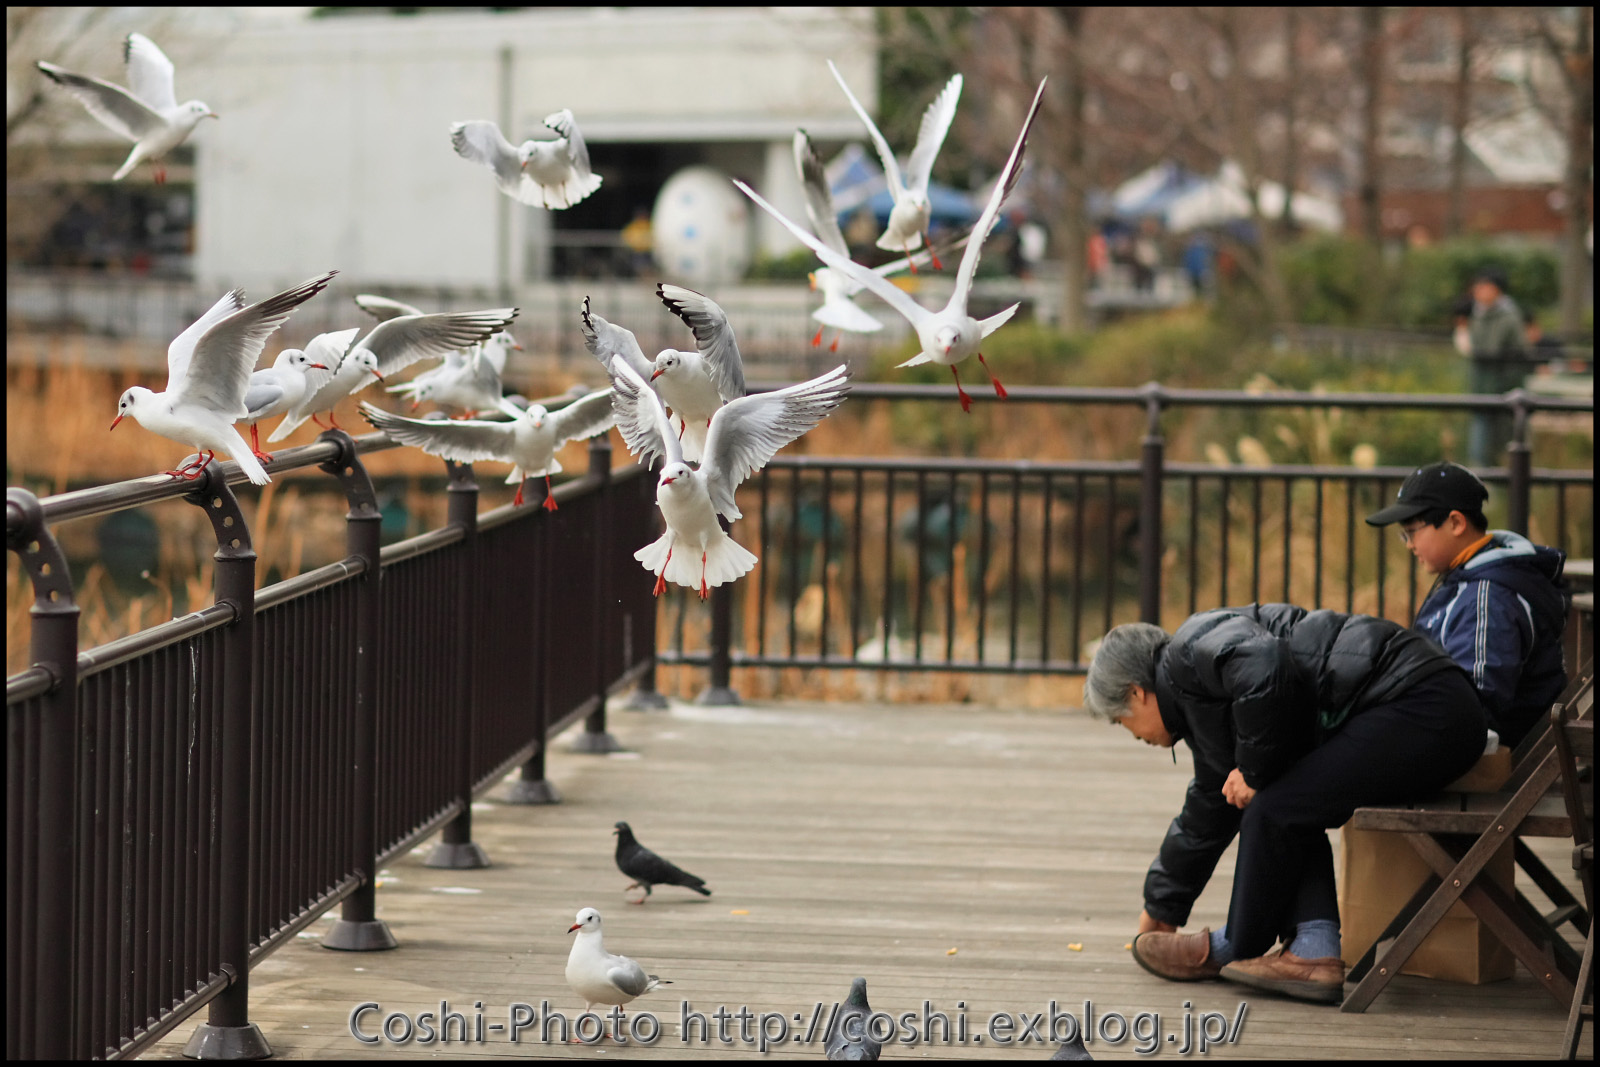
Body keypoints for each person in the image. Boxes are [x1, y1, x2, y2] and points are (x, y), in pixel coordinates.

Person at [1084, 605, 1485, 1004]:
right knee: (1286, 798)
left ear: (1137, 692)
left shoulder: (1191, 648)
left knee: (1275, 804)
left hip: (1422, 703)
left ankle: (1234, 947)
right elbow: (1206, 812)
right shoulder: (1198, 708)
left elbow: (1264, 664)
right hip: (1426, 710)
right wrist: (1162, 906)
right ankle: (1314, 950)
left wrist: (1255, 772)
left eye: (1122, 720)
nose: (1133, 734)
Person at [1365, 461, 1567, 748]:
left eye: (1411, 531)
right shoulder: (1467, 578)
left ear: (1456, 523)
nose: (1409, 544)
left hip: (1497, 758)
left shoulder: (1488, 597)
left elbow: (1475, 705)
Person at [1465, 266, 1528, 466]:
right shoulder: (1478, 313)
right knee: (1481, 441)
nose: (1478, 291)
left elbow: (1495, 350)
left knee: (1499, 441)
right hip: (1481, 386)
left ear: (1496, 289)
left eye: (1483, 287)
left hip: (1502, 388)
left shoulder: (1508, 316)